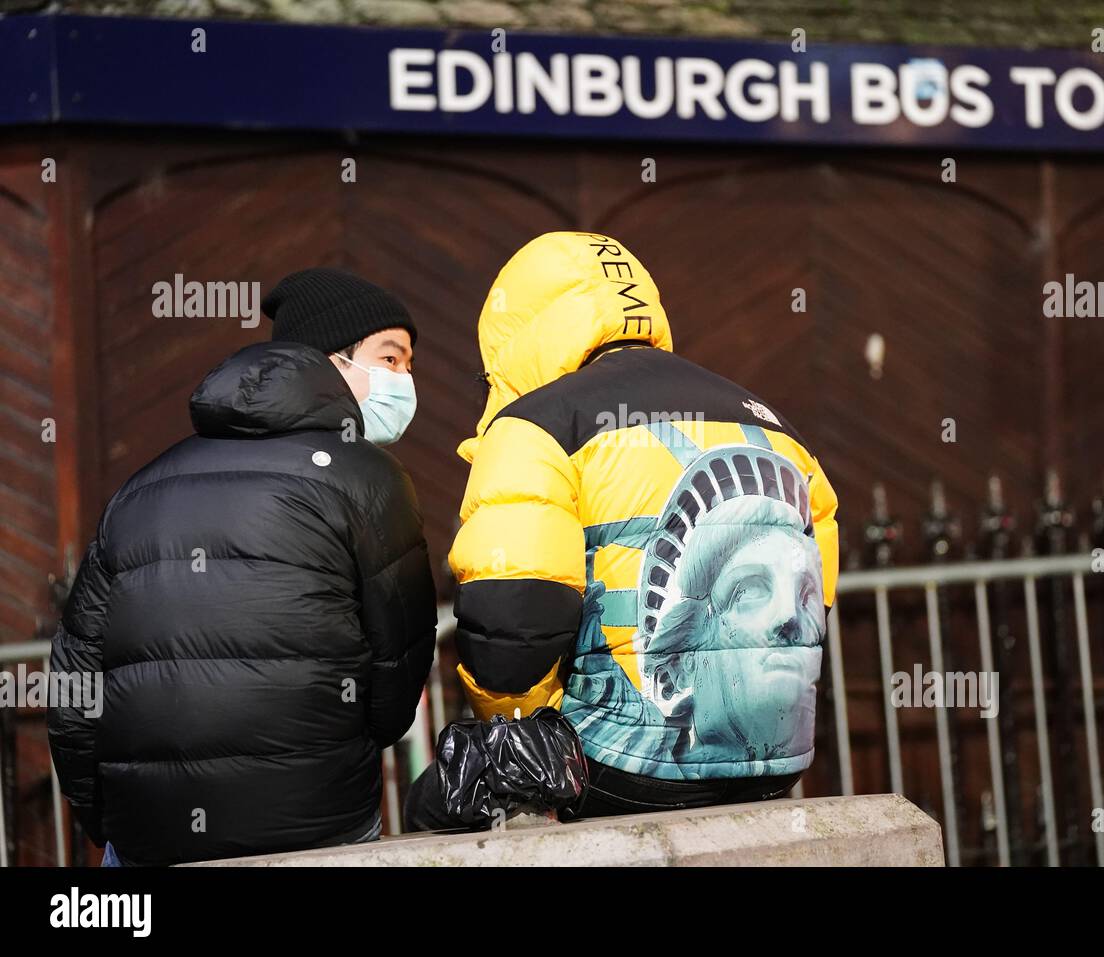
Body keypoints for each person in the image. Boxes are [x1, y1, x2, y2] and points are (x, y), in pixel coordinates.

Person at [47, 268, 438, 864]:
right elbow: (398, 670)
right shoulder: (369, 481)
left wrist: (103, 816)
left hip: (149, 835)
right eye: (390, 359)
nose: (404, 381)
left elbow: (75, 677)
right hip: (316, 832)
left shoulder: (141, 488)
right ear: (332, 364)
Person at [442, 232, 838, 821]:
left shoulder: (536, 427)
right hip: (777, 763)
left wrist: (527, 741)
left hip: (621, 769)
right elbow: (816, 596)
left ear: (513, 336)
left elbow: (511, 622)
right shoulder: (772, 424)